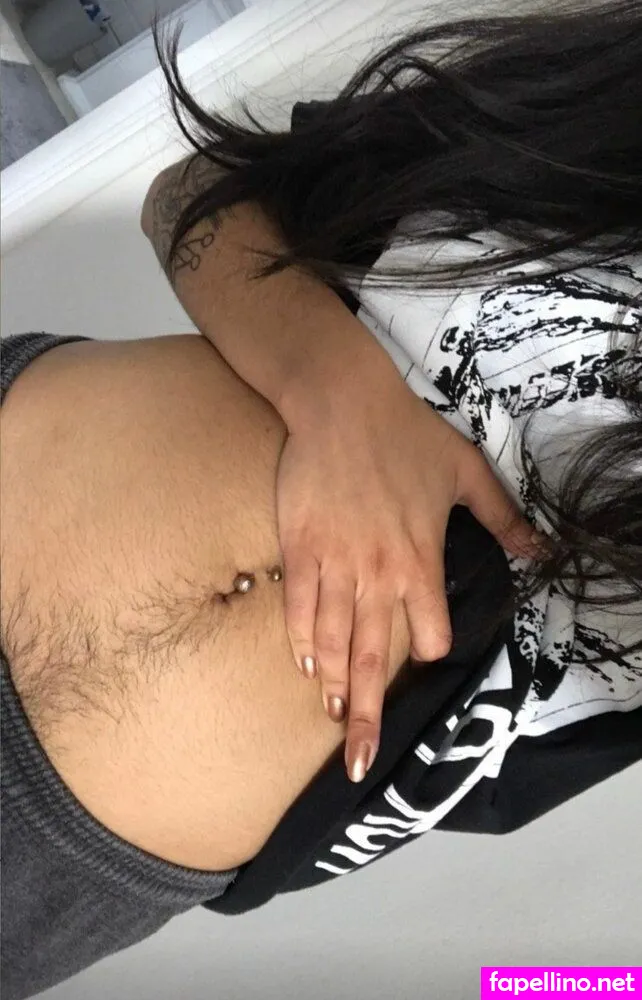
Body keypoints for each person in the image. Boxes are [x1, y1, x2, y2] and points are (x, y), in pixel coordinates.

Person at [1, 1, 640, 998]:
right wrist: (338, 397)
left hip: (61, 864)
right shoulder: (605, 125)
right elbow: (191, 198)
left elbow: (586, 982)